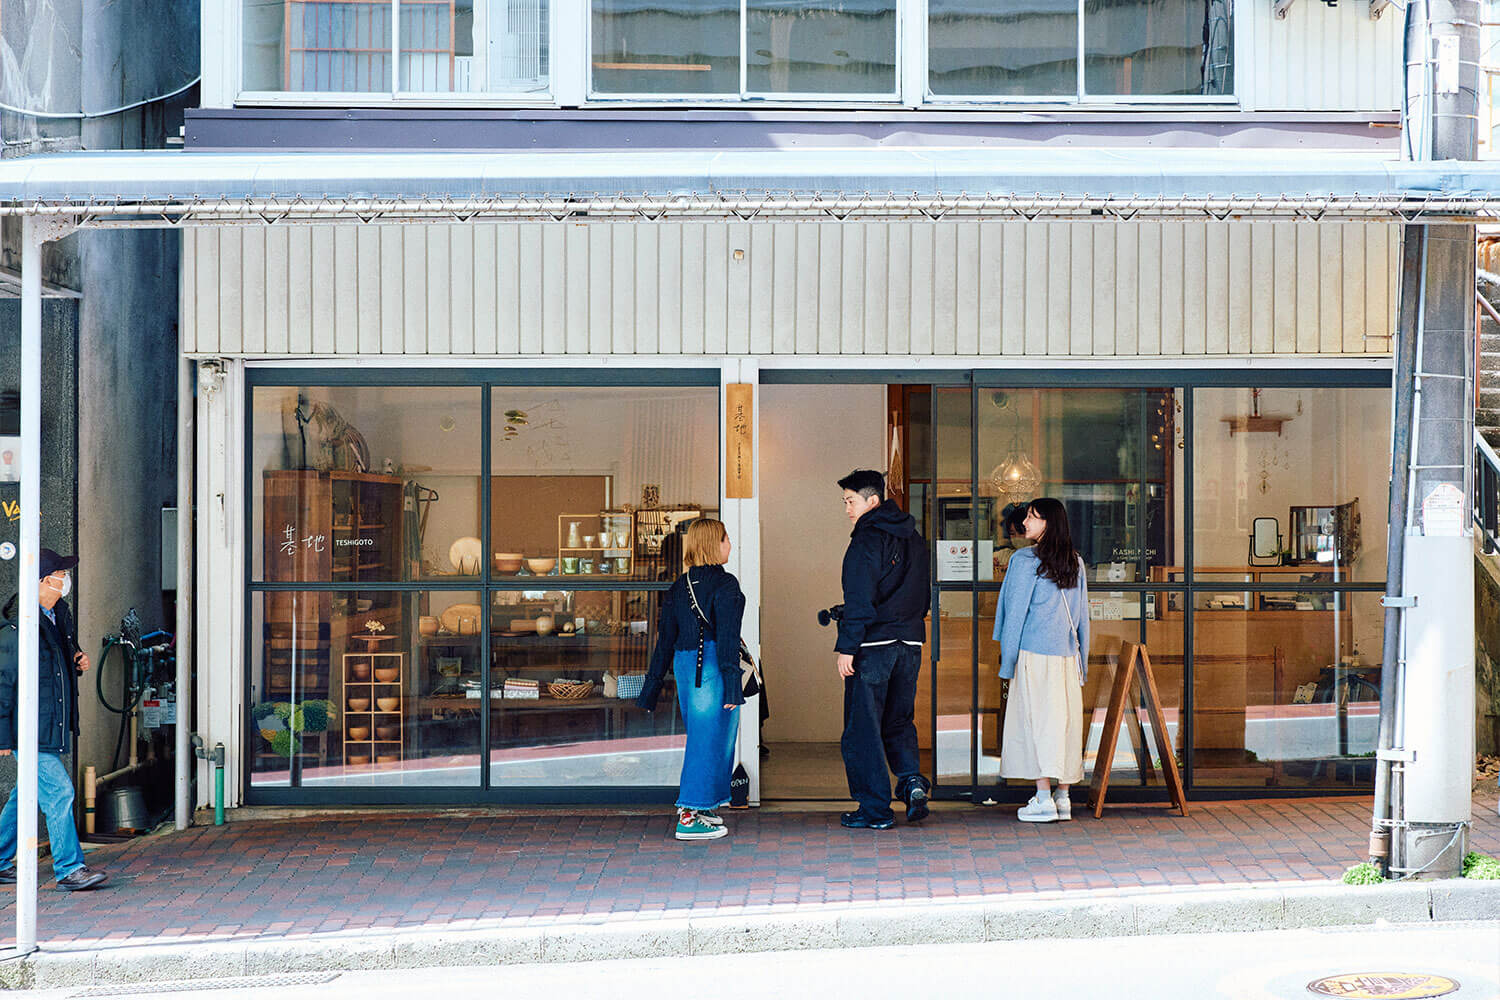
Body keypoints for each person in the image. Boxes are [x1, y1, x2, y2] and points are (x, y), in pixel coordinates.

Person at [0, 549, 108, 889]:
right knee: (60, 792)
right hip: (27, 727)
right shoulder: (18, 626)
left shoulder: (58, 614)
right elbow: (3, 683)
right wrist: (3, 737)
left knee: (25, 794)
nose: (66, 579)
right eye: (62, 574)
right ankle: (69, 869)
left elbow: (55, 663)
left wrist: (76, 659)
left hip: (48, 722)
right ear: (45, 580)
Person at [834, 469, 931, 830]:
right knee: (899, 720)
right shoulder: (914, 538)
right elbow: (924, 593)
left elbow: (859, 600)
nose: (847, 508)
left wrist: (847, 647)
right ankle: (911, 781)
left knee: (864, 728)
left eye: (851, 501)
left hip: (874, 646)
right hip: (910, 643)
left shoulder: (866, 540)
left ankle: (875, 809)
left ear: (872, 500)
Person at [637, 518, 745, 841]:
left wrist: (651, 687)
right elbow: (728, 639)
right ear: (714, 543)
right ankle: (689, 815)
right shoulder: (726, 585)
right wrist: (733, 685)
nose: (730, 544)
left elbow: (664, 641)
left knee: (704, 736)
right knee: (710, 739)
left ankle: (704, 806)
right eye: (726, 538)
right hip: (711, 665)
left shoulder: (678, 586)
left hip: (686, 667)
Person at [992, 499, 1089, 823]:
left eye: (1033, 517)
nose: (1026, 522)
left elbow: (1015, 616)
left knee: (1035, 725)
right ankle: (1064, 796)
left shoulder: (1023, 560)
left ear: (1049, 523)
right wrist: (1082, 662)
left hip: (1034, 655)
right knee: (1063, 726)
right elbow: (1082, 618)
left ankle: (1044, 797)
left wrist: (1007, 663)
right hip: (1066, 658)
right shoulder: (1075, 561)